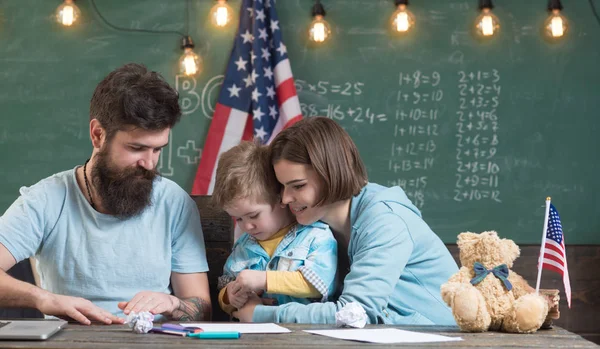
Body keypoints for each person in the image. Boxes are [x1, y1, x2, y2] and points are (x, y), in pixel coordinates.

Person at [0, 63, 211, 325]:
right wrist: (43, 298)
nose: (150, 163)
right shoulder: (45, 200)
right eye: (137, 148)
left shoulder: (175, 203)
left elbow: (201, 307)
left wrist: (173, 303)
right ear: (98, 135)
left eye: (158, 149)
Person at [233, 116, 458, 325]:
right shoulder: (315, 226)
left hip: (440, 338)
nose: (285, 198)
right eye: (282, 186)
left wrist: (260, 314)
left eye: (298, 186)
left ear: (331, 173)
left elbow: (354, 313)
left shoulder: (385, 220)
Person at [212, 141, 337, 316]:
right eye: (238, 218)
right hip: (253, 336)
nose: (247, 226)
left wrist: (264, 280)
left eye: (254, 215)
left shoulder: (316, 236)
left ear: (280, 199)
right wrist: (229, 296)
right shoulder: (243, 246)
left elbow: (318, 285)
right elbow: (225, 288)